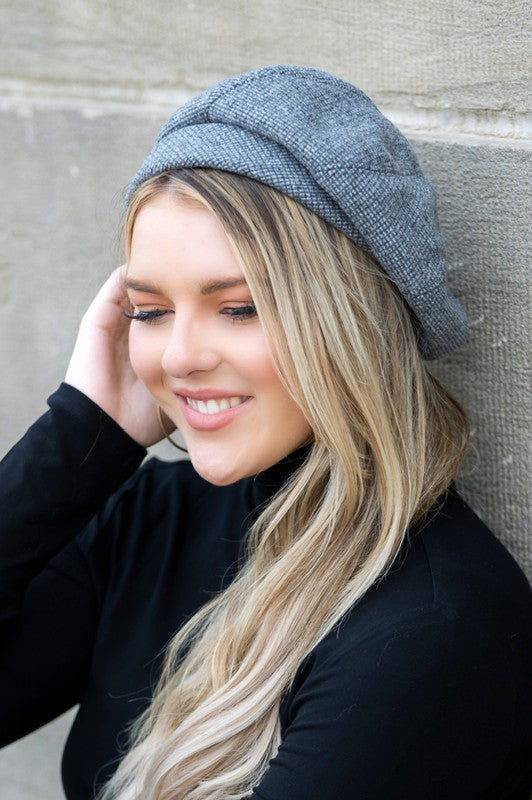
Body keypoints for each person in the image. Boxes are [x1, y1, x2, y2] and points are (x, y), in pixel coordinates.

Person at [1, 65, 531, 800]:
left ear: (349, 320)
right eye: (151, 311)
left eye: (239, 307)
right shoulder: (150, 519)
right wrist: (79, 438)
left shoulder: (430, 629)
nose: (181, 355)